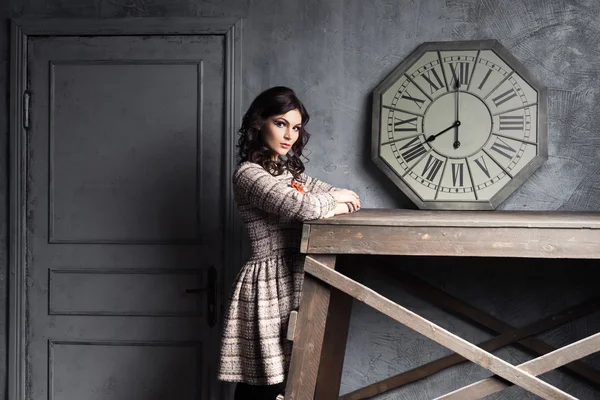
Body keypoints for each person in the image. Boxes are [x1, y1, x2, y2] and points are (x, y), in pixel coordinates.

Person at [217, 86, 360, 399]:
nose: (290, 135)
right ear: (260, 123)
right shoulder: (249, 175)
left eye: (295, 127)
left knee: (292, 382)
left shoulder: (286, 171)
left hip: (295, 276)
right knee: (262, 384)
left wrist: (330, 201)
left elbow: (342, 197)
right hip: (266, 286)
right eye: (281, 123)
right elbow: (306, 207)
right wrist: (330, 202)